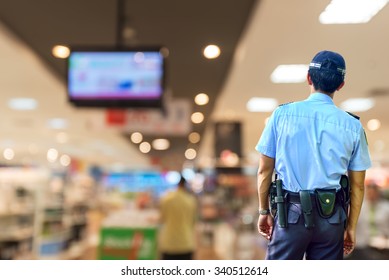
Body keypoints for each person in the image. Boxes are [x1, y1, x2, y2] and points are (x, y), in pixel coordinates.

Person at [255, 50, 372, 260]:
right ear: (341, 85)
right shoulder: (353, 126)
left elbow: (264, 170)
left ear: (308, 77)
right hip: (332, 218)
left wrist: (264, 211)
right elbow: (358, 185)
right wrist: (351, 227)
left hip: (289, 215)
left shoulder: (281, 116)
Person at [347, 182, 389, 259]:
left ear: (378, 193)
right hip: (362, 244)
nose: (371, 195)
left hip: (382, 243)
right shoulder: (358, 208)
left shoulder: (386, 208)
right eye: (369, 193)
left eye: (373, 193)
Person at [159, 176, 197, 260]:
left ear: (178, 185)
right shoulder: (191, 201)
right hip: (186, 242)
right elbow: (193, 222)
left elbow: (162, 219)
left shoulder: (166, 200)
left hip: (169, 243)